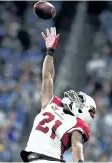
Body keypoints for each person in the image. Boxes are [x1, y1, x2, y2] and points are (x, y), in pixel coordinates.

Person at [20, 27, 96, 162]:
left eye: (79, 99)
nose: (74, 97)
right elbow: (47, 77)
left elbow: (77, 147)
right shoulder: (51, 103)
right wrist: (50, 52)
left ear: (81, 109)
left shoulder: (77, 123)